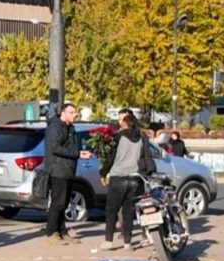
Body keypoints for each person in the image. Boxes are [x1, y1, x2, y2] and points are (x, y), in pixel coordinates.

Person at [99, 113, 154, 250]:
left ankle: (108, 240)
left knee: (112, 209)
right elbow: (147, 156)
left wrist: (103, 172)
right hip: (134, 177)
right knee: (128, 211)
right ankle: (128, 242)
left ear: (125, 123)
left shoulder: (119, 136)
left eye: (121, 121)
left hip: (118, 177)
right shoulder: (141, 136)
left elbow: (111, 157)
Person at [44, 102, 92, 245]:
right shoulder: (55, 127)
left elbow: (72, 145)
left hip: (68, 170)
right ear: (62, 113)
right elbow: (55, 148)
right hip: (58, 170)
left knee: (64, 203)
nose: (74, 115)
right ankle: (51, 232)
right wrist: (77, 154)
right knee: (58, 203)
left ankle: (62, 231)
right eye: (71, 112)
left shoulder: (71, 128)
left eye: (75, 112)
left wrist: (79, 153)